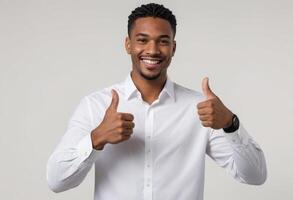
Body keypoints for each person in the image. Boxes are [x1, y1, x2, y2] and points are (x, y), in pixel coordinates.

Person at [47, 3, 267, 200]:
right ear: (128, 45)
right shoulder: (95, 105)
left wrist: (230, 123)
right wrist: (96, 139)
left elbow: (255, 176)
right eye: (142, 40)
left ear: (173, 47)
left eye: (163, 41)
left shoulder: (199, 109)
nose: (152, 50)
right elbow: (57, 181)